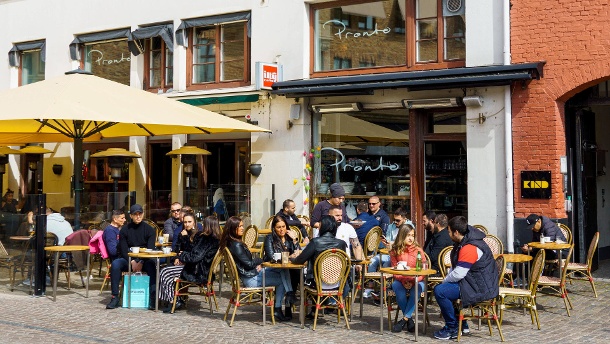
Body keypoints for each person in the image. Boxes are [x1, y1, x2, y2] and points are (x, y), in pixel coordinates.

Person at [433, 216, 498, 340]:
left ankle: (452, 328)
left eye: (449, 231)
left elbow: (458, 274)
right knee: (445, 289)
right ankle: (463, 325)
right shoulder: (465, 242)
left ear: (456, 232)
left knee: (440, 291)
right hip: (475, 282)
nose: (448, 234)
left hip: (479, 287)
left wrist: (444, 281)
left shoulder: (469, 247)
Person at [220, 216, 290, 321]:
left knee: (282, 271)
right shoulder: (236, 245)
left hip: (250, 274)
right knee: (282, 280)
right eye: (239, 226)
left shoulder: (233, 242)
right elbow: (249, 264)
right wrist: (260, 260)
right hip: (251, 279)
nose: (242, 228)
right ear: (232, 228)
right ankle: (278, 307)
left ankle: (287, 297)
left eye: (242, 226)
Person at [159, 214, 220, 313]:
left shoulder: (206, 239)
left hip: (197, 271)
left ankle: (173, 301)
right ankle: (172, 299)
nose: (202, 227)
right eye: (185, 222)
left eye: (204, 225)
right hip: (200, 269)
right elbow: (186, 251)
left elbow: (195, 256)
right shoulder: (214, 239)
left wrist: (182, 255)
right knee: (165, 271)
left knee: (165, 272)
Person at [291, 215, 348, 319]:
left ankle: (304, 307)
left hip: (317, 283)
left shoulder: (315, 242)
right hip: (337, 284)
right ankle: (320, 307)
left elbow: (300, 260)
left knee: (299, 275)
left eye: (320, 225)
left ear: (323, 227)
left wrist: (292, 259)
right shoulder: (341, 244)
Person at [106, 204, 157, 310]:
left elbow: (150, 249)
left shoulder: (149, 230)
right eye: (135, 214)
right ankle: (115, 296)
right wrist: (132, 262)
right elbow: (123, 250)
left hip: (145, 260)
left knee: (152, 266)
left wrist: (141, 262)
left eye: (140, 214)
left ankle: (152, 298)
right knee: (115, 264)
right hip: (128, 259)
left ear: (143, 214)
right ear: (131, 216)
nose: (138, 216)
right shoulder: (125, 230)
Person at [364, 208, 411, 298]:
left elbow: (407, 243)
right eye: (394, 220)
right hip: (390, 253)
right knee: (373, 260)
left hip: (401, 256)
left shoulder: (409, 227)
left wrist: (393, 244)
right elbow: (389, 240)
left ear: (404, 219)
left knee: (386, 265)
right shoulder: (392, 226)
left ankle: (384, 292)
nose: (395, 222)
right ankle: (370, 287)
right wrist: (386, 242)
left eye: (398, 220)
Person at [390, 223, 426, 333]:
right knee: (396, 286)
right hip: (401, 280)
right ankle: (409, 320)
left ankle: (404, 319)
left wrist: (415, 280)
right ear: (402, 235)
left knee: (417, 289)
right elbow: (394, 270)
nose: (411, 238)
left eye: (412, 235)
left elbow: (424, 268)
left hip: (417, 280)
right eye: (408, 235)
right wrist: (404, 280)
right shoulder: (395, 251)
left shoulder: (418, 250)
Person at [263, 215, 300, 320]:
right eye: (278, 227)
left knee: (295, 273)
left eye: (283, 226)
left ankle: (286, 304)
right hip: (272, 268)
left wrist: (295, 240)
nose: (281, 229)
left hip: (287, 269)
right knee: (285, 271)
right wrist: (288, 257)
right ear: (274, 228)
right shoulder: (269, 238)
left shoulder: (289, 238)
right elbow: (271, 256)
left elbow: (299, 253)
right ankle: (290, 296)